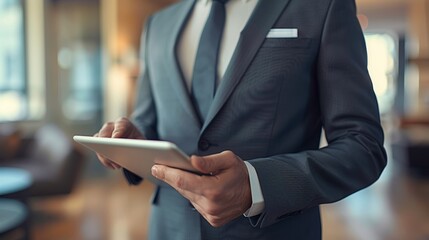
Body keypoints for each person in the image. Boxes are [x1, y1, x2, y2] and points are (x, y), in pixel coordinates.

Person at [95, 0, 387, 239]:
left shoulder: (323, 7)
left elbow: (363, 146)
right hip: (168, 229)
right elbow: (147, 120)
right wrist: (132, 142)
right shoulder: (158, 24)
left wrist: (256, 185)